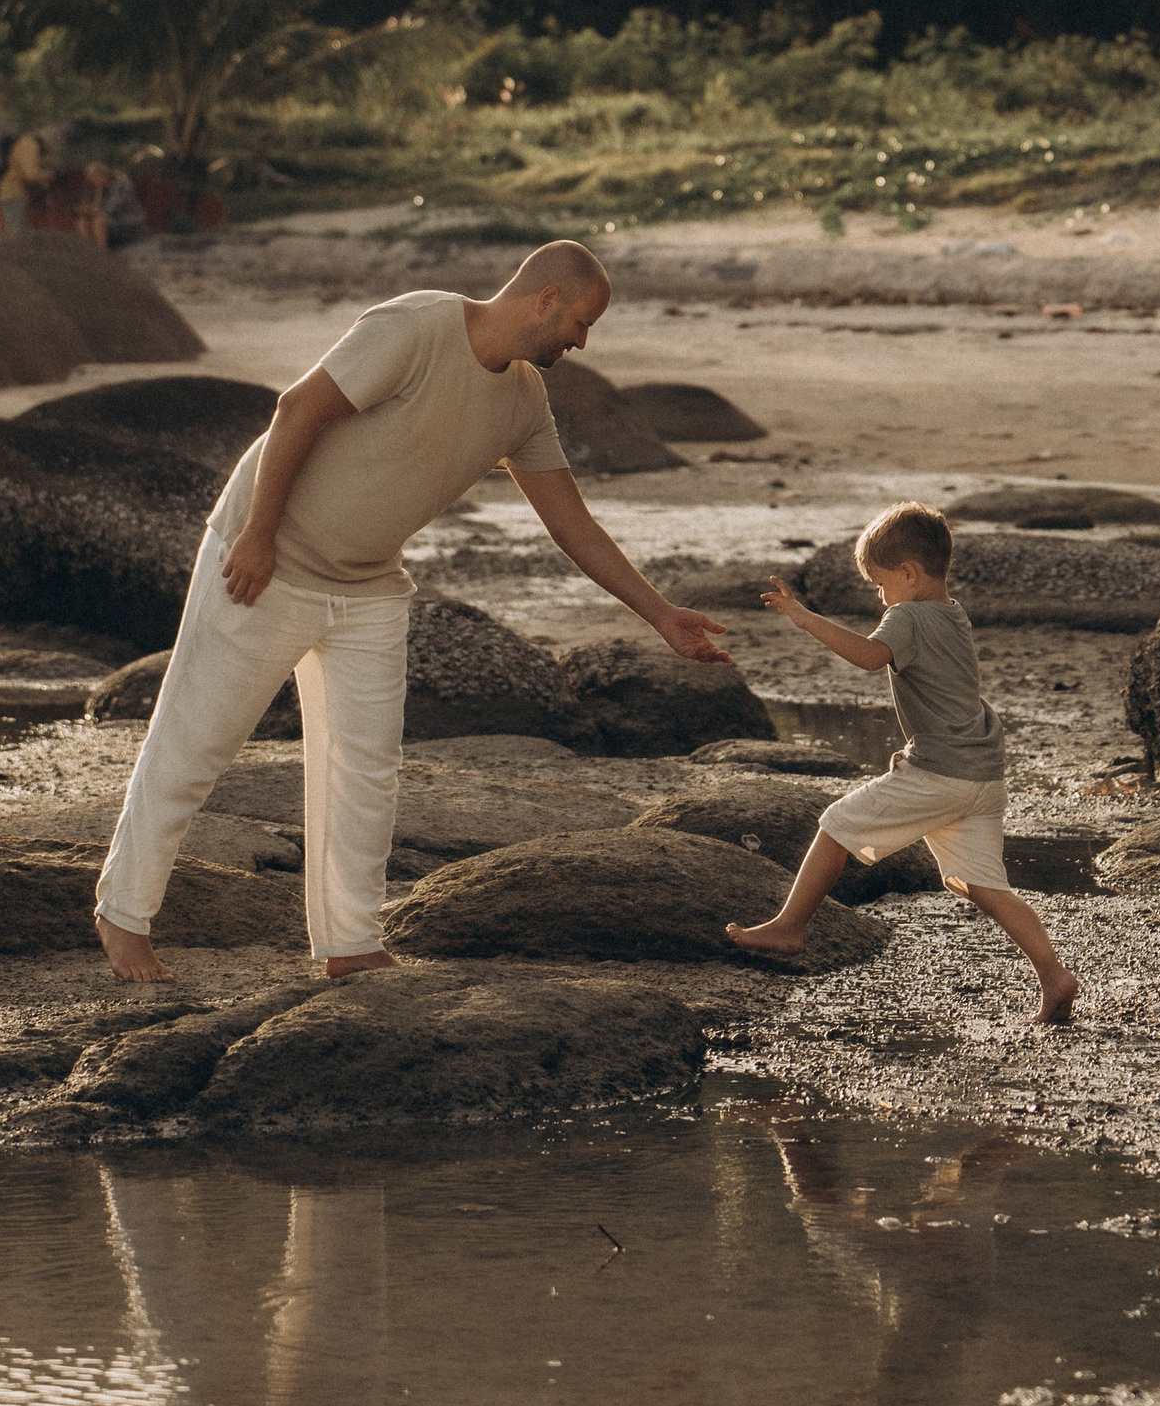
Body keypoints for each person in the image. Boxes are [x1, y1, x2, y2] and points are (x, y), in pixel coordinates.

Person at [93, 241, 728, 984]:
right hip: (267, 559)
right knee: (195, 742)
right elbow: (299, 407)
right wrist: (258, 533)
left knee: (366, 768)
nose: (582, 342)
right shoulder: (417, 326)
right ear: (547, 299)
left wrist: (659, 614)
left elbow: (571, 523)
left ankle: (350, 942)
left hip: (367, 586)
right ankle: (123, 914)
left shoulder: (525, 402)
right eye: (581, 323)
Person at [726, 502, 1080, 1025]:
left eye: (879, 584)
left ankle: (789, 926)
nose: (880, 596)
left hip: (941, 770)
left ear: (909, 574)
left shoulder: (908, 616)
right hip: (984, 774)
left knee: (836, 825)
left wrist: (804, 619)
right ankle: (1053, 975)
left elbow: (870, 657)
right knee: (983, 884)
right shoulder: (951, 612)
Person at [0, 126, 51, 239]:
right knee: (16, 233)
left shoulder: (24, 143)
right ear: (46, 141)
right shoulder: (30, 145)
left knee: (14, 230)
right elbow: (30, 175)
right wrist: (46, 176)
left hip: (11, 191)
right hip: (14, 192)